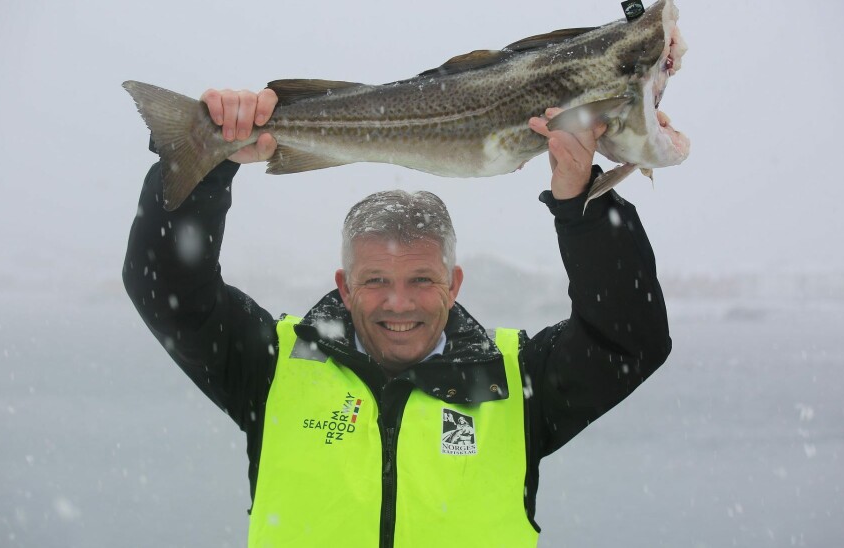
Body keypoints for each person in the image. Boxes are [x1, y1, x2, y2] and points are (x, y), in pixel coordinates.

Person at [123, 87, 671, 547]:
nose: (399, 303)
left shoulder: (514, 382)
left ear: (454, 284)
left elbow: (628, 338)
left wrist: (582, 205)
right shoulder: (273, 367)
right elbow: (168, 291)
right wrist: (206, 159)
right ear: (345, 286)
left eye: (422, 280)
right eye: (376, 281)